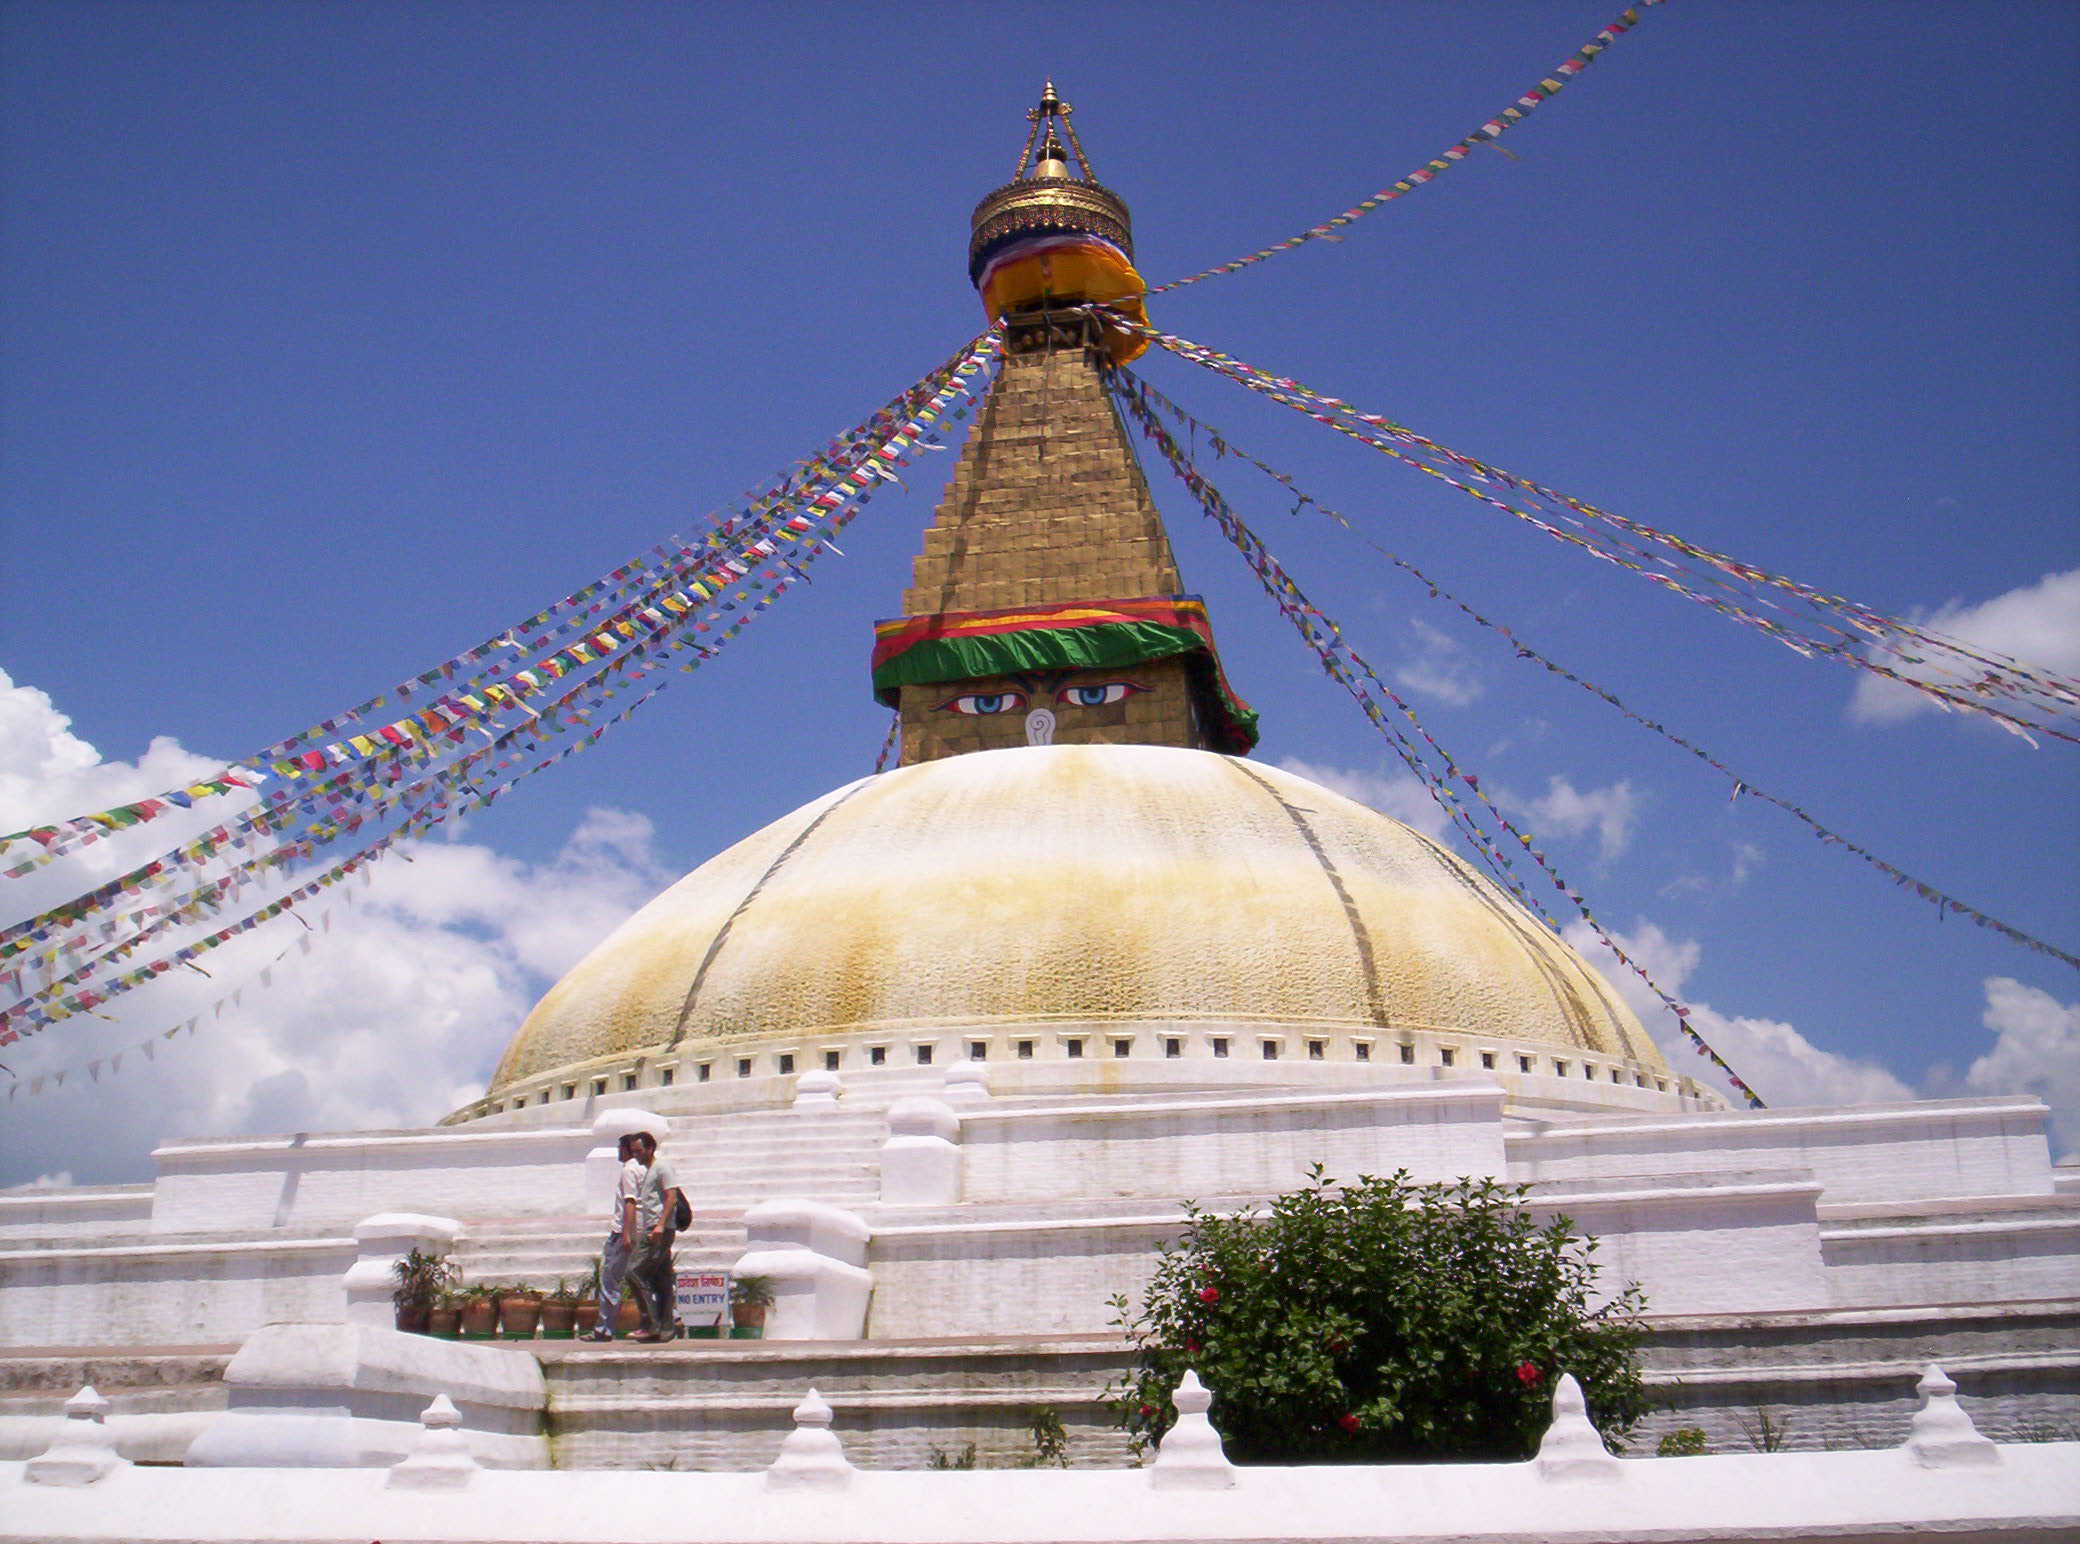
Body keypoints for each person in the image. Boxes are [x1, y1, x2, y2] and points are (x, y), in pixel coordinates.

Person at [579, 1133, 644, 1342]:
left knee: (610, 1280)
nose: (618, 1152)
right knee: (644, 1278)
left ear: (625, 1149)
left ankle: (604, 1329)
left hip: (623, 1232)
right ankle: (672, 1317)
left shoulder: (628, 1170)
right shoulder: (644, 1169)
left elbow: (629, 1203)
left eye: (619, 1148)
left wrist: (626, 1233)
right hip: (642, 1231)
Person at [624, 1128, 683, 1343]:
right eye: (633, 1151)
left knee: (633, 1272)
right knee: (661, 1279)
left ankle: (650, 1323)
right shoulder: (649, 1171)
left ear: (650, 1148)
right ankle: (665, 1329)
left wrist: (660, 1225)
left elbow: (671, 1197)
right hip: (655, 1228)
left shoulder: (662, 1168)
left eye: (639, 1151)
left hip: (658, 1230)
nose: (635, 1155)